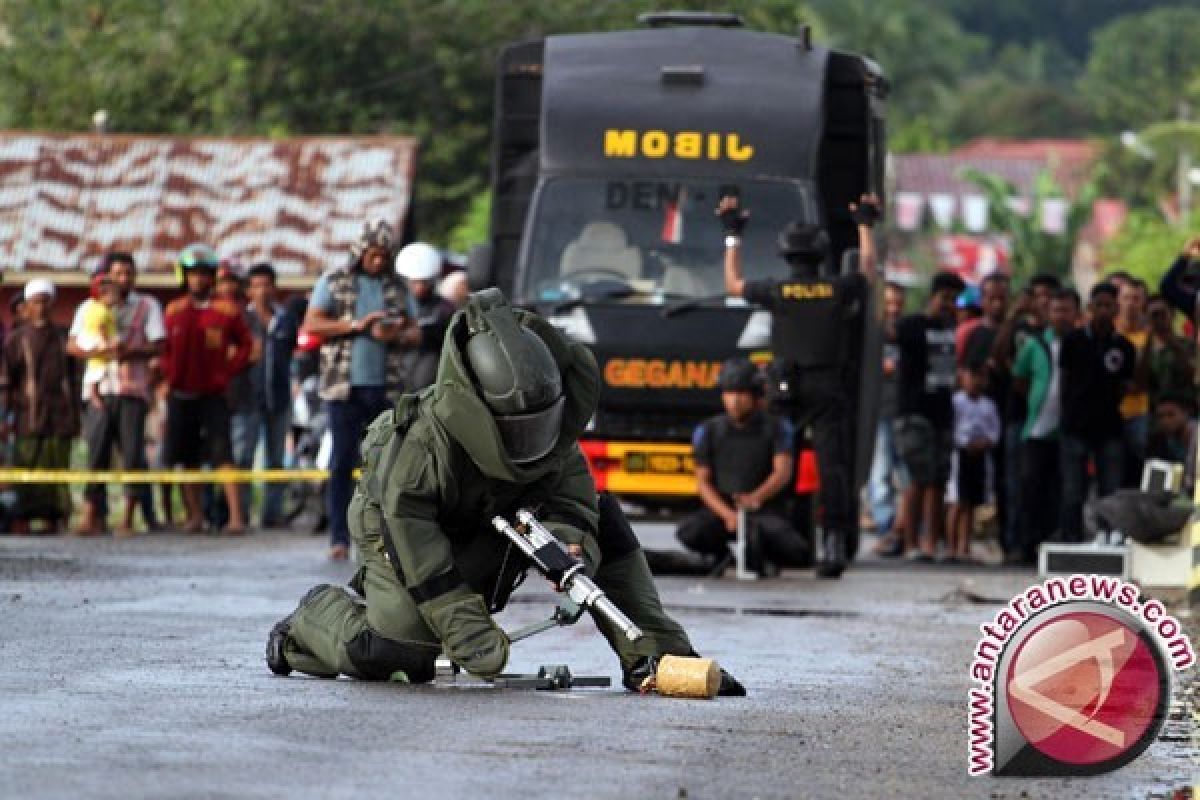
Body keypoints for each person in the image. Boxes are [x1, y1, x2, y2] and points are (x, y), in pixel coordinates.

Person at [265, 289, 744, 696]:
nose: (534, 443)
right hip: (398, 526)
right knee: (400, 657)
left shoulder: (554, 429)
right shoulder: (422, 444)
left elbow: (574, 501)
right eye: (517, 432)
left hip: (495, 515)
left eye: (541, 426)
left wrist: (569, 542)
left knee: (604, 518)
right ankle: (311, 620)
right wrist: (459, 619)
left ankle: (652, 656)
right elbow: (407, 522)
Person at [719, 192, 880, 578]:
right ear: (821, 254)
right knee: (832, 469)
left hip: (785, 388)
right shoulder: (836, 289)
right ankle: (834, 545)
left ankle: (769, 542)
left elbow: (733, 284)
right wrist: (865, 225)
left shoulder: (777, 290)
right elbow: (868, 273)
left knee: (775, 462)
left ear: (786, 255)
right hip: (827, 389)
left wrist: (733, 234)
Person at [303, 219, 420, 560]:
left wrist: (395, 333)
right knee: (342, 461)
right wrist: (356, 326)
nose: (379, 261)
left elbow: (416, 333)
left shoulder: (398, 287)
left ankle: (383, 537)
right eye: (373, 255)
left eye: (384, 255)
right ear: (359, 252)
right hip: (344, 388)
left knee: (387, 464)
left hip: (387, 388)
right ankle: (338, 537)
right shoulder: (334, 281)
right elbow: (313, 324)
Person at [671, 358, 809, 575]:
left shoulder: (777, 427)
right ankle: (723, 556)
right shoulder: (708, 430)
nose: (734, 401)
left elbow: (783, 472)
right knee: (690, 531)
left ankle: (763, 557)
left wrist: (756, 498)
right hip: (723, 510)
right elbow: (703, 482)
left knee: (793, 548)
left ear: (755, 396)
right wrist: (728, 515)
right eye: (729, 393)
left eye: (741, 394)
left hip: (762, 511)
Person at [68, 251, 166, 536]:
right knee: (96, 453)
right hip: (98, 389)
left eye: (128, 274)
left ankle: (127, 519)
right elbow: (72, 345)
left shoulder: (148, 306)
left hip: (132, 390)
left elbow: (159, 344)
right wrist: (91, 351)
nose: (123, 279)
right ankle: (91, 517)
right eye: (118, 274)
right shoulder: (88, 307)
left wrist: (130, 351)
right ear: (107, 276)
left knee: (132, 455)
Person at [162, 244, 255, 535]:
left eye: (204, 274)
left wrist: (227, 371)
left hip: (215, 395)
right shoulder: (173, 310)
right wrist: (168, 376)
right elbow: (163, 349)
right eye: (193, 274)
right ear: (184, 277)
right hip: (180, 395)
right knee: (187, 458)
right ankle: (195, 517)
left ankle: (236, 518)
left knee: (223, 456)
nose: (199, 280)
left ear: (212, 277)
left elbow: (248, 346)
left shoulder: (227, 310)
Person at [893, 271, 965, 562]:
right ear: (932, 296)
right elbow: (890, 334)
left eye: (954, 300)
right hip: (914, 412)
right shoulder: (912, 325)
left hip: (942, 413)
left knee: (938, 481)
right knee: (917, 479)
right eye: (945, 298)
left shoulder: (952, 329)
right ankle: (911, 543)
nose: (949, 305)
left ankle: (931, 544)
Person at [989, 273, 1060, 561]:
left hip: (1054, 423)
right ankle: (1013, 543)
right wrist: (1013, 317)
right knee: (1015, 483)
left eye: (1047, 297)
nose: (1041, 302)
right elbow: (998, 357)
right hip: (1020, 417)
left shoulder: (1060, 335)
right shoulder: (1020, 330)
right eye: (1036, 296)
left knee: (1046, 486)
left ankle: (1040, 541)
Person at [1058, 282, 1135, 543]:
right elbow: (1064, 381)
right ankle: (1072, 537)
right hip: (1075, 425)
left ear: (1116, 308)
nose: (1103, 310)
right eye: (1098, 305)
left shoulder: (1124, 347)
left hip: (1109, 425)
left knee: (1110, 488)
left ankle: (1107, 536)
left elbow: (1125, 385)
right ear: (1089, 308)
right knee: (1072, 489)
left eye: (1108, 305)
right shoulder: (1073, 341)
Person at [0, 280, 78, 534]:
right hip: (27, 416)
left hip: (60, 416)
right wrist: (5, 416)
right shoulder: (16, 340)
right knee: (27, 467)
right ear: (27, 305)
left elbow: (76, 377)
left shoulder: (63, 337)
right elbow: (6, 382)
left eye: (45, 301)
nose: (41, 307)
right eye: (36, 301)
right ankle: (23, 520)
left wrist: (76, 412)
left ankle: (54, 521)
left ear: (52, 304)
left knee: (57, 468)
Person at [1010, 288, 1078, 564]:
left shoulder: (1081, 344)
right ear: (1048, 314)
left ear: (1076, 313)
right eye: (1056, 310)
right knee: (1030, 488)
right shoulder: (1034, 345)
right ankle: (1028, 546)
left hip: (1069, 432)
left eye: (1067, 310)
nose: (1061, 316)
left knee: (1063, 491)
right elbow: (1019, 379)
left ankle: (1059, 545)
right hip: (1036, 431)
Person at [231, 263, 298, 528]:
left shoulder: (285, 319)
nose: (262, 290)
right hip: (247, 398)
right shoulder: (240, 319)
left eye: (266, 284)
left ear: (274, 287)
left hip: (278, 397)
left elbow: (290, 350)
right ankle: (242, 514)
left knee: (276, 459)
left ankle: (272, 513)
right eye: (256, 285)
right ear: (248, 290)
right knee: (243, 457)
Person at [869, 281, 909, 557]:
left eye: (898, 303)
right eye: (888, 303)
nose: (893, 308)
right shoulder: (871, 334)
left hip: (905, 412)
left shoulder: (909, 332)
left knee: (908, 475)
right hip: (879, 412)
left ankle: (906, 530)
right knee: (881, 475)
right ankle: (885, 529)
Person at [948, 364, 999, 564]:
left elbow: (995, 431)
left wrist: (985, 442)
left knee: (971, 502)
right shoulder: (956, 402)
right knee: (957, 501)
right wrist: (965, 442)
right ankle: (952, 547)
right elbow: (952, 428)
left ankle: (964, 546)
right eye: (973, 376)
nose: (977, 382)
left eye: (981, 377)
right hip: (961, 454)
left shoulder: (989, 405)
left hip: (980, 455)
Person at [395, 242, 455, 391]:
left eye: (424, 282)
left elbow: (449, 334)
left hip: (428, 379)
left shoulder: (444, 308)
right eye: (414, 282)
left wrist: (424, 334)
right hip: (396, 377)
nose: (420, 287)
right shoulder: (393, 305)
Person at [1115, 278, 1150, 487]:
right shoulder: (1108, 332)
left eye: (1136, 299)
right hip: (1112, 414)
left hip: (1140, 412)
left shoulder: (1148, 337)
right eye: (1126, 297)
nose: (1130, 303)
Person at [1142, 293, 1196, 414]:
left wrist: (1173, 343)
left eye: (1163, 313)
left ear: (1173, 314)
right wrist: (1148, 342)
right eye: (1155, 315)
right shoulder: (1143, 350)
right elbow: (1141, 384)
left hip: (1186, 410)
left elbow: (1193, 375)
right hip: (1155, 414)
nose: (1160, 319)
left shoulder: (1189, 345)